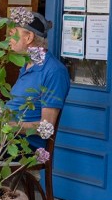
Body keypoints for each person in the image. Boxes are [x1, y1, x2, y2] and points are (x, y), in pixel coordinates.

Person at [7, 13, 70, 150]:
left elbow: (46, 128)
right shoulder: (27, 65)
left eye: (13, 34)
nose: (8, 39)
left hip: (24, 145)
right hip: (3, 136)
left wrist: (5, 126)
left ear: (28, 37)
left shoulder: (54, 71)